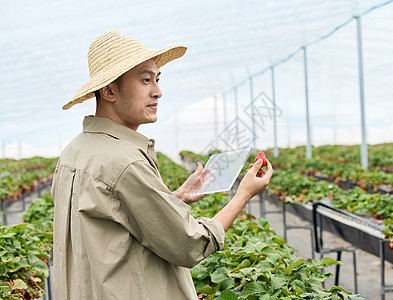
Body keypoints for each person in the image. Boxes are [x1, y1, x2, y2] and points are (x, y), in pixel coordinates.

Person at [51, 29, 273, 300]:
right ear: (109, 90)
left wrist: (174, 198)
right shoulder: (124, 161)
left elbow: (113, 220)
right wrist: (244, 193)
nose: (158, 91)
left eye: (157, 79)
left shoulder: (72, 153)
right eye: (145, 80)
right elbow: (190, 244)